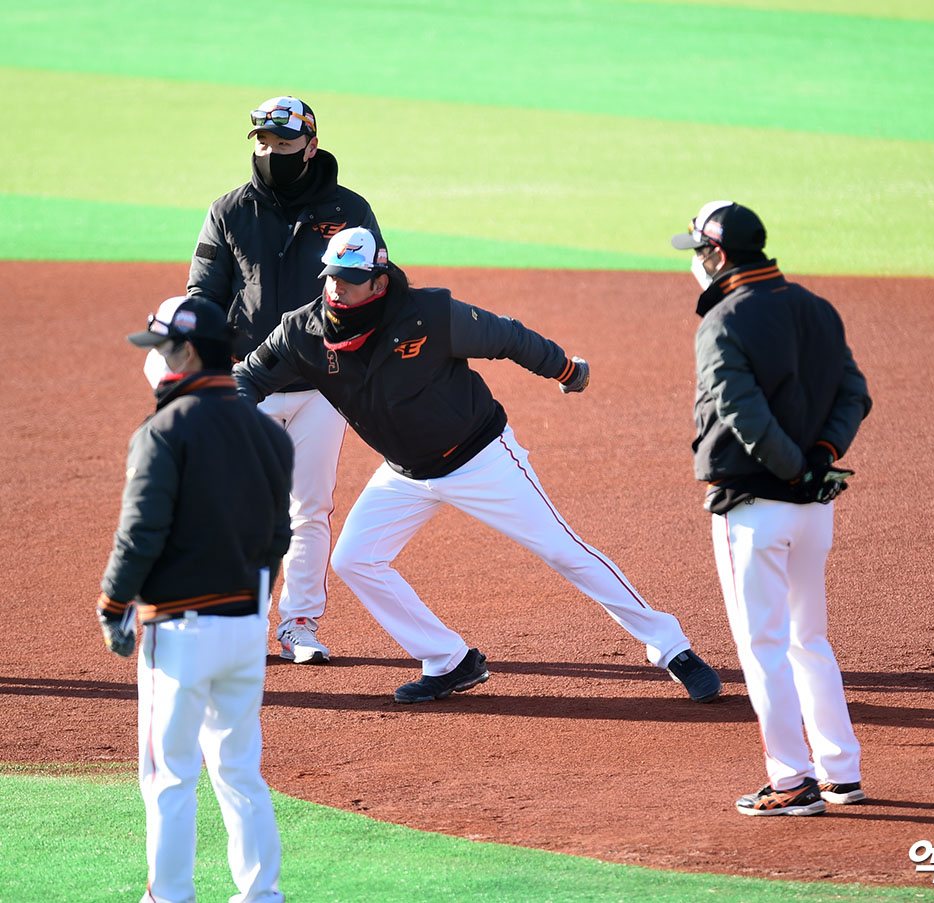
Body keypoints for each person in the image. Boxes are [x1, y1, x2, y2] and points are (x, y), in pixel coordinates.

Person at [232, 225, 723, 705]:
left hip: (479, 458)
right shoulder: (303, 330)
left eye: (349, 278)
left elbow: (506, 337)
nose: (335, 288)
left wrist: (565, 369)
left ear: (379, 281)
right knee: (355, 559)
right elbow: (250, 375)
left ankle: (672, 648)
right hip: (405, 474)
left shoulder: (427, 315)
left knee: (562, 549)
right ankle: (448, 660)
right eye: (330, 276)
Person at [671, 201, 870, 816]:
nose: (697, 264)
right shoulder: (816, 307)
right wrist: (819, 459)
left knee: (764, 648)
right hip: (814, 507)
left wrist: (791, 466)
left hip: (754, 506)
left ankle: (791, 780)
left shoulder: (724, 319)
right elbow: (854, 394)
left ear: (720, 254)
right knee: (810, 639)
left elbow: (742, 410)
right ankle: (841, 771)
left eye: (700, 252)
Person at [97, 297, 293, 903]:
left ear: (185, 351)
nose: (153, 360)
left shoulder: (163, 431)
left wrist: (113, 604)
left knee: (169, 777)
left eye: (159, 347)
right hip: (244, 625)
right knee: (239, 772)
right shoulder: (267, 432)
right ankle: (262, 896)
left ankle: (170, 898)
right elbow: (279, 539)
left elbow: (140, 534)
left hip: (178, 632)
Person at [185, 95, 380, 664]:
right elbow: (204, 294)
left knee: (310, 507)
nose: (271, 153)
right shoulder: (229, 211)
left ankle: (299, 623)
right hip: (248, 380)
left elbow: (375, 284)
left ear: (311, 146)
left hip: (323, 385)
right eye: (263, 143)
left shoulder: (350, 210)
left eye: (284, 144)